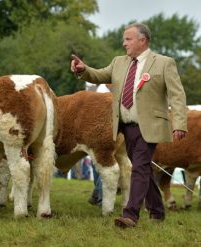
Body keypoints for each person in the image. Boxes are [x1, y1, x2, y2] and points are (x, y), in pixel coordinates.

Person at [71, 23, 187, 228]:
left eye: (128, 39)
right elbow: (99, 75)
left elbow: (177, 96)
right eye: (124, 39)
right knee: (144, 169)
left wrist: (180, 123)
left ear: (143, 40)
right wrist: (83, 69)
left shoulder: (164, 63)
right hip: (125, 126)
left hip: (149, 126)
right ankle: (157, 211)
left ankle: (130, 215)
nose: (124, 43)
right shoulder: (119, 62)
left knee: (140, 168)